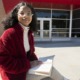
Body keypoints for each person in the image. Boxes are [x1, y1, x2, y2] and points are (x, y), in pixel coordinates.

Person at [0, 1, 42, 80]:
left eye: (29, 13)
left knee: (50, 72)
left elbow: (30, 54)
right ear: (16, 15)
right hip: (13, 76)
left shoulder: (29, 33)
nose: (25, 16)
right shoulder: (9, 34)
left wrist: (38, 63)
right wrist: (29, 64)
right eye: (22, 13)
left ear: (32, 16)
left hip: (25, 71)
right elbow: (4, 62)